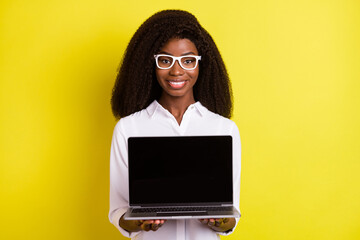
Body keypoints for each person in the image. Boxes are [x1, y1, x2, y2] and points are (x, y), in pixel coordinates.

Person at [109, 9, 241, 240]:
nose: (177, 70)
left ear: (202, 64)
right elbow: (118, 212)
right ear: (150, 63)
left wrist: (219, 220)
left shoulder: (223, 129)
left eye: (188, 60)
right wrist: (140, 222)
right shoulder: (129, 128)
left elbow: (231, 218)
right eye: (165, 60)